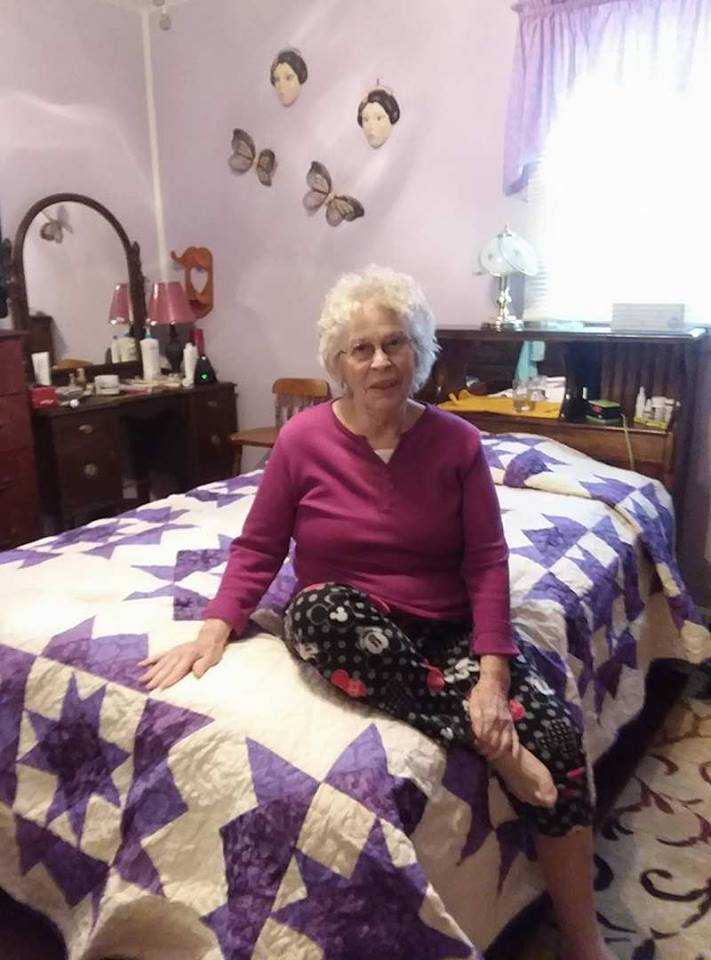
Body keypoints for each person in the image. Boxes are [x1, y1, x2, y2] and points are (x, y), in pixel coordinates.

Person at [139, 266, 615, 960]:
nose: (380, 362)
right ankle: (493, 747)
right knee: (315, 615)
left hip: (444, 626)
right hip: (349, 620)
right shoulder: (302, 441)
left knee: (559, 743)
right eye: (361, 349)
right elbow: (259, 547)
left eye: (394, 344)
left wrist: (490, 675)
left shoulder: (457, 444)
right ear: (338, 362)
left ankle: (583, 938)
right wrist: (215, 627)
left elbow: (486, 561)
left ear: (417, 354)